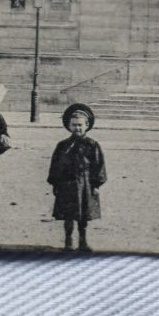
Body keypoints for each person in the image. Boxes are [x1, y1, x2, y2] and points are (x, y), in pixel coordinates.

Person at [48, 103, 107, 253]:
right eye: (74, 125)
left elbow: (99, 165)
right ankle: (68, 240)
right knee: (68, 215)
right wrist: (55, 183)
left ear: (87, 125)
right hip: (66, 185)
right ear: (68, 126)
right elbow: (55, 165)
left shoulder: (92, 145)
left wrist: (96, 184)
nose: (77, 128)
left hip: (85, 184)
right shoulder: (63, 145)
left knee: (83, 216)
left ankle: (83, 240)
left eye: (80, 125)